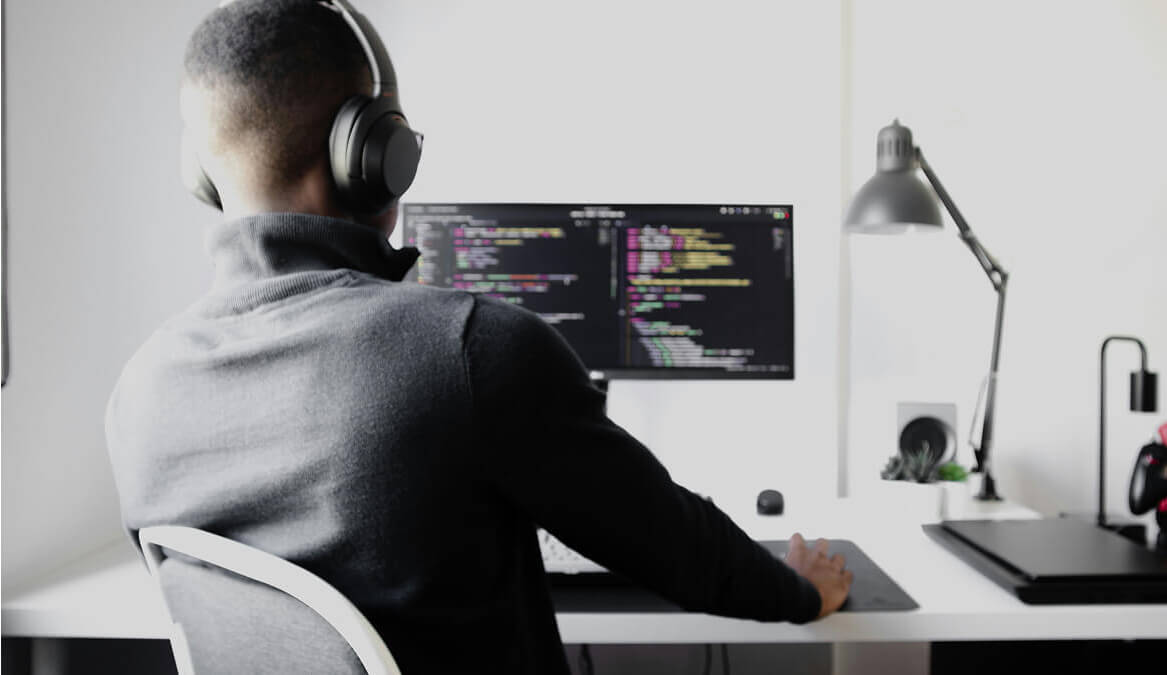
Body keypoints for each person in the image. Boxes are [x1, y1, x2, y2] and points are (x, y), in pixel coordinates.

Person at [104, 1, 852, 672]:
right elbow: (678, 548)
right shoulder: (469, 348)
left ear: (201, 170)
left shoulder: (137, 394)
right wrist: (797, 589)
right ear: (373, 153)